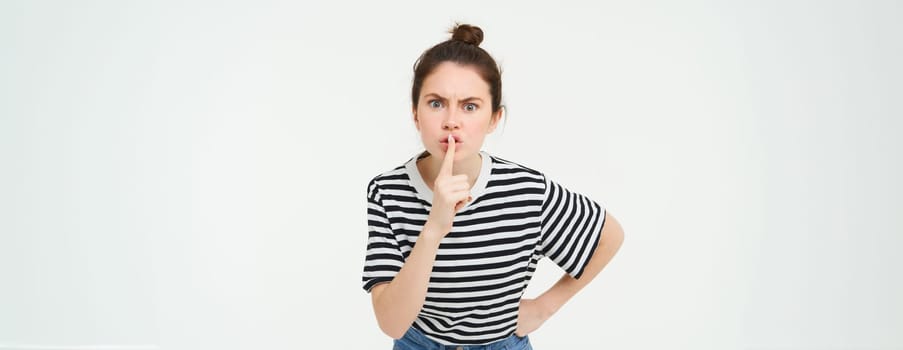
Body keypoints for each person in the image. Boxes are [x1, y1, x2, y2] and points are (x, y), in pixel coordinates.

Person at [362, 23, 625, 349]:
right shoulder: (388, 192)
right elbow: (391, 323)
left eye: (470, 106)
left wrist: (544, 307)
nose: (451, 121)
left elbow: (609, 237)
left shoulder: (528, 191)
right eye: (435, 103)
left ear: (494, 119)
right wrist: (434, 228)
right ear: (415, 114)